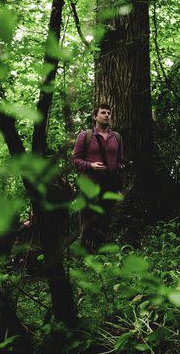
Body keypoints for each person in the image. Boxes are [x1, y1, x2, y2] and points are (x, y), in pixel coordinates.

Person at [72, 103, 124, 252]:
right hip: (89, 186)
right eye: (103, 112)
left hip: (110, 187)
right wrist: (90, 166)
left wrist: (120, 166)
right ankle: (84, 256)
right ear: (95, 116)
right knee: (87, 223)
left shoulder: (117, 137)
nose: (107, 115)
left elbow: (119, 160)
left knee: (104, 222)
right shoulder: (85, 136)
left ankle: (100, 255)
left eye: (108, 112)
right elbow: (75, 160)